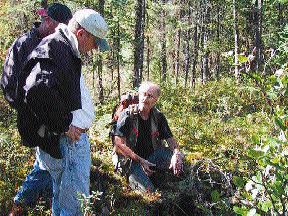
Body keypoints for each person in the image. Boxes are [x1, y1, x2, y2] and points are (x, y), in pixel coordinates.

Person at [21, 8, 109, 215]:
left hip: (68, 141)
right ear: (81, 34)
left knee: (63, 202)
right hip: (68, 142)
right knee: (73, 206)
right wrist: (64, 126)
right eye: (95, 42)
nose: (94, 48)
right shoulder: (57, 48)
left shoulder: (64, 47)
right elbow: (36, 90)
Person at [0, 3, 72, 215]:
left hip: (56, 120)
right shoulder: (24, 44)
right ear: (47, 21)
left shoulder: (60, 43)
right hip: (35, 121)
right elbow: (9, 86)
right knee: (45, 162)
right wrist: (35, 111)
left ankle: (36, 206)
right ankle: (19, 206)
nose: (64, 32)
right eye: (60, 26)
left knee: (49, 163)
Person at [112, 81, 184, 192]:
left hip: (152, 157)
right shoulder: (127, 115)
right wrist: (141, 161)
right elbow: (118, 145)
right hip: (131, 162)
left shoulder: (158, 116)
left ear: (155, 100)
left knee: (180, 162)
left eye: (149, 96)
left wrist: (176, 154)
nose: (145, 98)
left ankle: (182, 186)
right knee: (150, 193)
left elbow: (170, 140)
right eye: (143, 94)